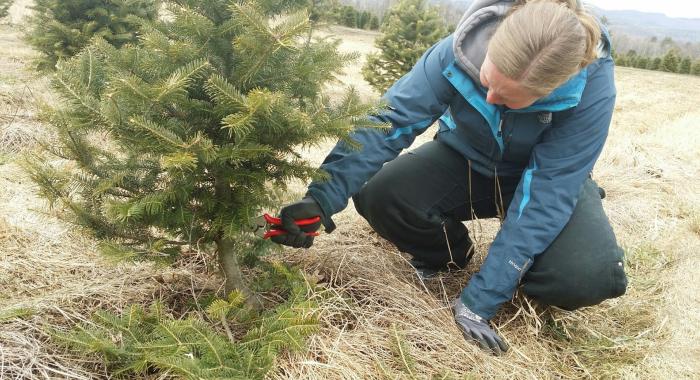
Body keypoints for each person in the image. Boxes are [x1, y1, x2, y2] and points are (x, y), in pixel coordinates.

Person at [271, 0, 628, 355]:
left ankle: (528, 270)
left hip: (546, 179)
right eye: (489, 80)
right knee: (381, 195)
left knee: (583, 277)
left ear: (550, 91)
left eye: (509, 97)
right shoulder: (460, 48)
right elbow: (389, 122)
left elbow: (547, 193)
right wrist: (321, 199)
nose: (491, 97)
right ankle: (449, 254)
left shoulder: (589, 89)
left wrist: (481, 301)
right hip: (465, 159)